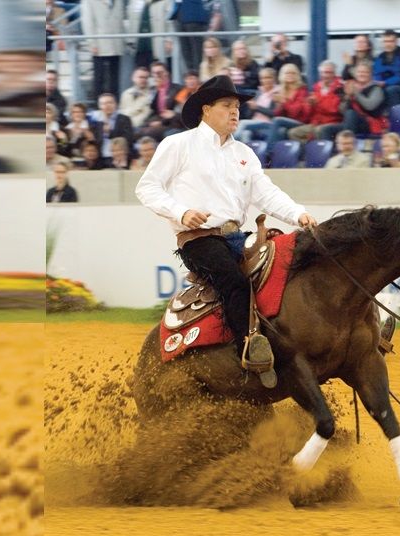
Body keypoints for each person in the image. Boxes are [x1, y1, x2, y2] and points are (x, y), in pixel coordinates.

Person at [135, 75, 317, 387]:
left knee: (293, 257)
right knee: (234, 283)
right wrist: (182, 212)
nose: (235, 112)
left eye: (237, 107)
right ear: (206, 109)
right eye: (227, 106)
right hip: (199, 239)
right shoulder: (179, 145)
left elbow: (267, 194)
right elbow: (147, 187)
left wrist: (298, 214)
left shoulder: (243, 153)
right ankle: (249, 350)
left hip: (238, 236)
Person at [287, 60, 344, 143]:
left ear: (334, 74)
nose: (325, 75)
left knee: (319, 130)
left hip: (333, 122)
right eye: (323, 73)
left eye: (329, 73)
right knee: (293, 133)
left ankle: (321, 153)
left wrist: (318, 102)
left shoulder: (339, 87)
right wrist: (309, 105)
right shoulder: (317, 86)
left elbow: (334, 109)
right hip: (316, 122)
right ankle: (309, 153)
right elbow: (310, 113)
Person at [81, 0, 125, 99]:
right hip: (100, 45)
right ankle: (97, 104)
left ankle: (115, 103)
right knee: (99, 78)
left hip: (116, 44)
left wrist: (123, 41)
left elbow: (120, 21)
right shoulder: (89, 2)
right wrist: (92, 43)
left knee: (114, 78)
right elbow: (88, 23)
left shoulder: (118, 1)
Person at [265, 63, 311, 147]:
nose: (290, 75)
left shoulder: (302, 90)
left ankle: (268, 152)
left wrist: (283, 102)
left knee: (277, 121)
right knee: (281, 130)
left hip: (300, 121)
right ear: (282, 75)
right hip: (286, 122)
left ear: (297, 75)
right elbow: (277, 114)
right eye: (287, 73)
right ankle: (279, 154)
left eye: (293, 73)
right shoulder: (281, 90)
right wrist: (278, 105)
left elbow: (296, 112)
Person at [340, 60, 388, 136]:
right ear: (355, 74)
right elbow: (342, 111)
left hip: (370, 124)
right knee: (326, 129)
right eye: (359, 72)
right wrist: (347, 97)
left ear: (370, 74)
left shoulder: (376, 89)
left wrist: (356, 93)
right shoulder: (352, 87)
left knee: (351, 114)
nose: (362, 74)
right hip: (352, 123)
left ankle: (349, 143)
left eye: (365, 72)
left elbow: (369, 106)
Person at [372, 29, 400, 105]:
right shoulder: (380, 57)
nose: (388, 44)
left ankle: (396, 115)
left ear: (396, 42)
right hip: (385, 87)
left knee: (392, 90)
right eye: (385, 41)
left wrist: (385, 82)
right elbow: (376, 74)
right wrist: (377, 82)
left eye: (391, 41)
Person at [139, 61, 182, 142]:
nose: (157, 76)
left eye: (159, 73)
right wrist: (148, 123)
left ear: (167, 73)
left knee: (146, 133)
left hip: (172, 125)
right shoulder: (153, 91)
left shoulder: (177, 89)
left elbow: (178, 113)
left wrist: (161, 122)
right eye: (154, 73)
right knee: (137, 131)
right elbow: (153, 112)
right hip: (157, 123)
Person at [234, 67, 279, 143]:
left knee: (242, 123)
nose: (265, 80)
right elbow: (249, 115)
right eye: (262, 78)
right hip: (253, 123)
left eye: (268, 77)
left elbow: (274, 114)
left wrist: (257, 107)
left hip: (267, 123)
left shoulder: (277, 93)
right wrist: (251, 108)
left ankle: (231, 143)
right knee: (245, 133)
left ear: (274, 78)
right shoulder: (258, 93)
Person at [168, 0, 210, 72]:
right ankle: (191, 73)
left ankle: (198, 73)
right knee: (185, 50)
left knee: (197, 50)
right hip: (179, 16)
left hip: (194, 15)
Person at [91, 93, 135, 160]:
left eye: (110, 102)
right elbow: (96, 142)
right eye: (104, 103)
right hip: (101, 158)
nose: (107, 106)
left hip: (120, 157)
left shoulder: (124, 119)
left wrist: (110, 133)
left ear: (116, 104)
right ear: (99, 106)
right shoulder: (96, 121)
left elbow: (128, 139)